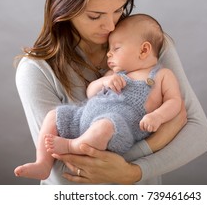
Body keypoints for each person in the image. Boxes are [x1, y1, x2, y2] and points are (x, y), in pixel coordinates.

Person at [15, 0, 207, 185]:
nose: (110, 26)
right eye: (95, 16)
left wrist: (134, 173)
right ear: (63, 7)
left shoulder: (148, 48)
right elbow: (65, 172)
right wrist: (154, 144)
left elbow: (199, 133)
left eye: (118, 10)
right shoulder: (36, 70)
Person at [14, 14, 182, 180]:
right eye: (109, 49)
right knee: (55, 115)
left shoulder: (161, 75)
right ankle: (43, 163)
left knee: (105, 125)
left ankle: (72, 145)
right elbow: (90, 92)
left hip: (117, 128)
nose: (109, 54)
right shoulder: (115, 73)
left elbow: (174, 101)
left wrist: (157, 116)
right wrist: (104, 81)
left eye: (116, 48)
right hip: (83, 118)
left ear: (144, 50)